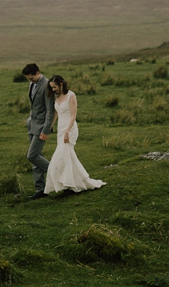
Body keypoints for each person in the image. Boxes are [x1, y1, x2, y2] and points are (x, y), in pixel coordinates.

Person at [44, 75, 106, 196]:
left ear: (61, 85)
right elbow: (56, 113)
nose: (53, 90)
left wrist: (67, 131)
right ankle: (73, 183)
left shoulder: (71, 96)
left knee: (60, 157)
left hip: (70, 129)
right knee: (68, 157)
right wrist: (50, 126)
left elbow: (73, 115)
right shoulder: (56, 96)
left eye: (54, 87)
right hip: (60, 130)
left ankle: (67, 185)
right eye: (51, 88)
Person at [22, 63, 55, 199]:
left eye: (31, 78)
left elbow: (50, 110)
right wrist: (29, 120)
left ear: (37, 73)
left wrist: (46, 130)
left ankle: (58, 174)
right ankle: (40, 189)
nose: (30, 81)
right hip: (32, 124)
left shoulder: (47, 85)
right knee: (36, 158)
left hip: (41, 127)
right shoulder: (32, 84)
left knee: (32, 155)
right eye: (28, 79)